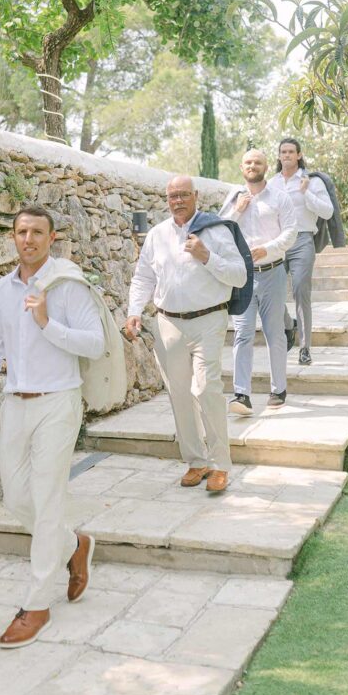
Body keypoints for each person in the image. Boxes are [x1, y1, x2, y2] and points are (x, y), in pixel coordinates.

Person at [0, 205, 104, 649]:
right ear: (13, 237)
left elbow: (96, 343)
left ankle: (37, 604)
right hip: (15, 404)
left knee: (46, 500)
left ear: (52, 238)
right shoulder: (1, 290)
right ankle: (73, 545)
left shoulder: (67, 285)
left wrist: (48, 322)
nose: (29, 239)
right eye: (22, 231)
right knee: (14, 497)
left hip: (59, 402)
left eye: (37, 232)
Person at [125, 175, 247, 494]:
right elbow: (143, 278)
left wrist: (207, 256)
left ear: (195, 196)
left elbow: (240, 275)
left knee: (207, 388)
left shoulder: (217, 231)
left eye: (183, 194)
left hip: (209, 319)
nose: (177, 200)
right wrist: (134, 311)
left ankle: (220, 465)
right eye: (172, 196)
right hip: (169, 323)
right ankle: (196, 461)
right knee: (179, 393)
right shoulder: (157, 235)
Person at [220, 149, 297, 415]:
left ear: (266, 166)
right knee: (242, 334)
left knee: (274, 332)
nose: (253, 166)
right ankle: (241, 394)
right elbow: (219, 233)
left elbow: (291, 233)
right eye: (249, 162)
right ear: (242, 167)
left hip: (273, 273)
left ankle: (279, 390)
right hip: (242, 277)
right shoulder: (232, 198)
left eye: (258, 162)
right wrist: (237, 212)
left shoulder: (280, 197)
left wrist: (268, 248)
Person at [268, 138, 334, 366]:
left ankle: (304, 347)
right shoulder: (271, 183)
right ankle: (289, 325)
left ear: (298, 155)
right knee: (270, 292)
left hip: (302, 240)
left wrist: (306, 193)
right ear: (278, 156)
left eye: (290, 151)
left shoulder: (311, 181)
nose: (286, 155)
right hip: (276, 243)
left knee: (300, 291)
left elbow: (327, 211)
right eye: (283, 151)